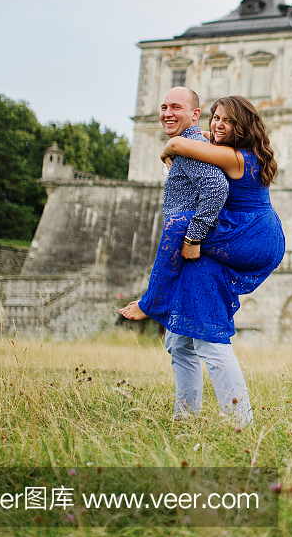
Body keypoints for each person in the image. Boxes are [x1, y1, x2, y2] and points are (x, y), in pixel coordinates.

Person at [120, 87, 252, 426]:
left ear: (194, 114)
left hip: (202, 252)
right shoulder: (195, 144)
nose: (167, 113)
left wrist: (194, 235)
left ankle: (241, 424)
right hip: (201, 249)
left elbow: (216, 188)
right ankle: (186, 420)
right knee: (179, 343)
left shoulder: (192, 147)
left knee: (208, 339)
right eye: (163, 106)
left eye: (175, 107)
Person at [155, 94, 286, 295]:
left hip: (250, 233)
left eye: (228, 121)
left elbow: (176, 145)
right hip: (264, 232)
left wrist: (165, 151)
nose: (219, 124)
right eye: (216, 118)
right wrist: (209, 133)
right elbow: (208, 135)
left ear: (241, 126)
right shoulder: (248, 152)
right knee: (205, 271)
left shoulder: (235, 158)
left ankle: (152, 300)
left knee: (178, 226)